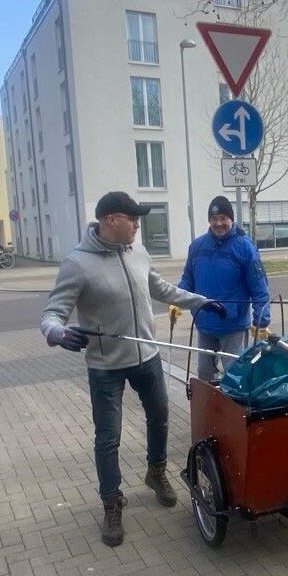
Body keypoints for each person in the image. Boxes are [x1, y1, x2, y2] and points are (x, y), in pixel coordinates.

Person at [41, 191, 227, 548]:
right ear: (111, 220)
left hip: (147, 358)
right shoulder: (78, 264)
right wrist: (58, 333)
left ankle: (156, 472)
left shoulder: (138, 252)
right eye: (133, 220)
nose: (138, 226)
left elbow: (161, 288)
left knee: (160, 418)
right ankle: (111, 502)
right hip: (105, 366)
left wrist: (201, 302)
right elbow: (52, 314)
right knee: (107, 438)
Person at [170, 196, 270, 383]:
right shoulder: (197, 246)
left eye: (223, 218)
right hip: (205, 323)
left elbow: (259, 287)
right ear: (209, 220)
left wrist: (261, 321)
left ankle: (237, 409)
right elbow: (188, 279)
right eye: (214, 219)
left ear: (231, 219)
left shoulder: (245, 247)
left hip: (233, 326)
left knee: (235, 377)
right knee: (205, 375)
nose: (218, 223)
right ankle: (212, 410)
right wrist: (177, 302)